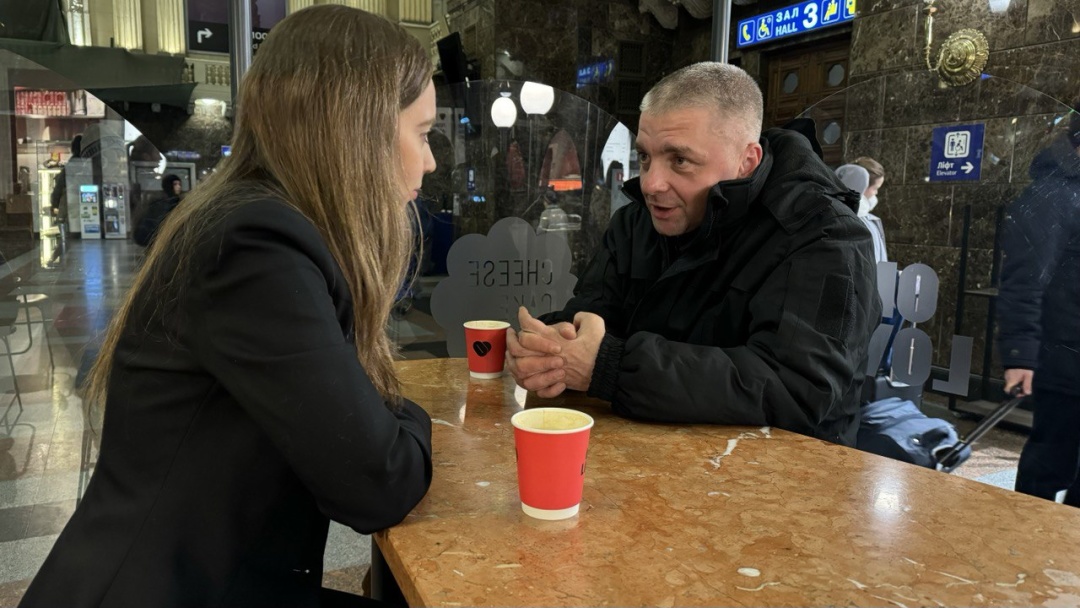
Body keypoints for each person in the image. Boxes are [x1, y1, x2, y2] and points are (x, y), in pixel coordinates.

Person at [19, 6, 437, 607]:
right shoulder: (257, 247)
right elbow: (379, 481)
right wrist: (422, 421)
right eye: (421, 134)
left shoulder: (251, 220)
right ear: (359, 128)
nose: (428, 161)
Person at [506, 62, 880, 446]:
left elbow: (797, 389)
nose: (651, 183)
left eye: (680, 160)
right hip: (649, 464)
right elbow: (595, 315)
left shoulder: (825, 236)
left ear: (746, 161)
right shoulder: (636, 223)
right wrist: (552, 345)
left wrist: (609, 367)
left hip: (784, 483)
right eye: (646, 157)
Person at [998, 106, 1080, 507]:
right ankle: (1026, 546)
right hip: (1063, 361)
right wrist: (1020, 354)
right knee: (1048, 465)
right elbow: (1024, 278)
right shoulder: (1054, 193)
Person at [836, 158, 887, 264]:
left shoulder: (868, 220)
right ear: (862, 186)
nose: (876, 193)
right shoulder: (859, 222)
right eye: (875, 188)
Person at [133, 173, 182, 247]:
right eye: (175, 184)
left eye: (179, 184)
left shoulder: (175, 202)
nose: (178, 187)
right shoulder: (162, 203)